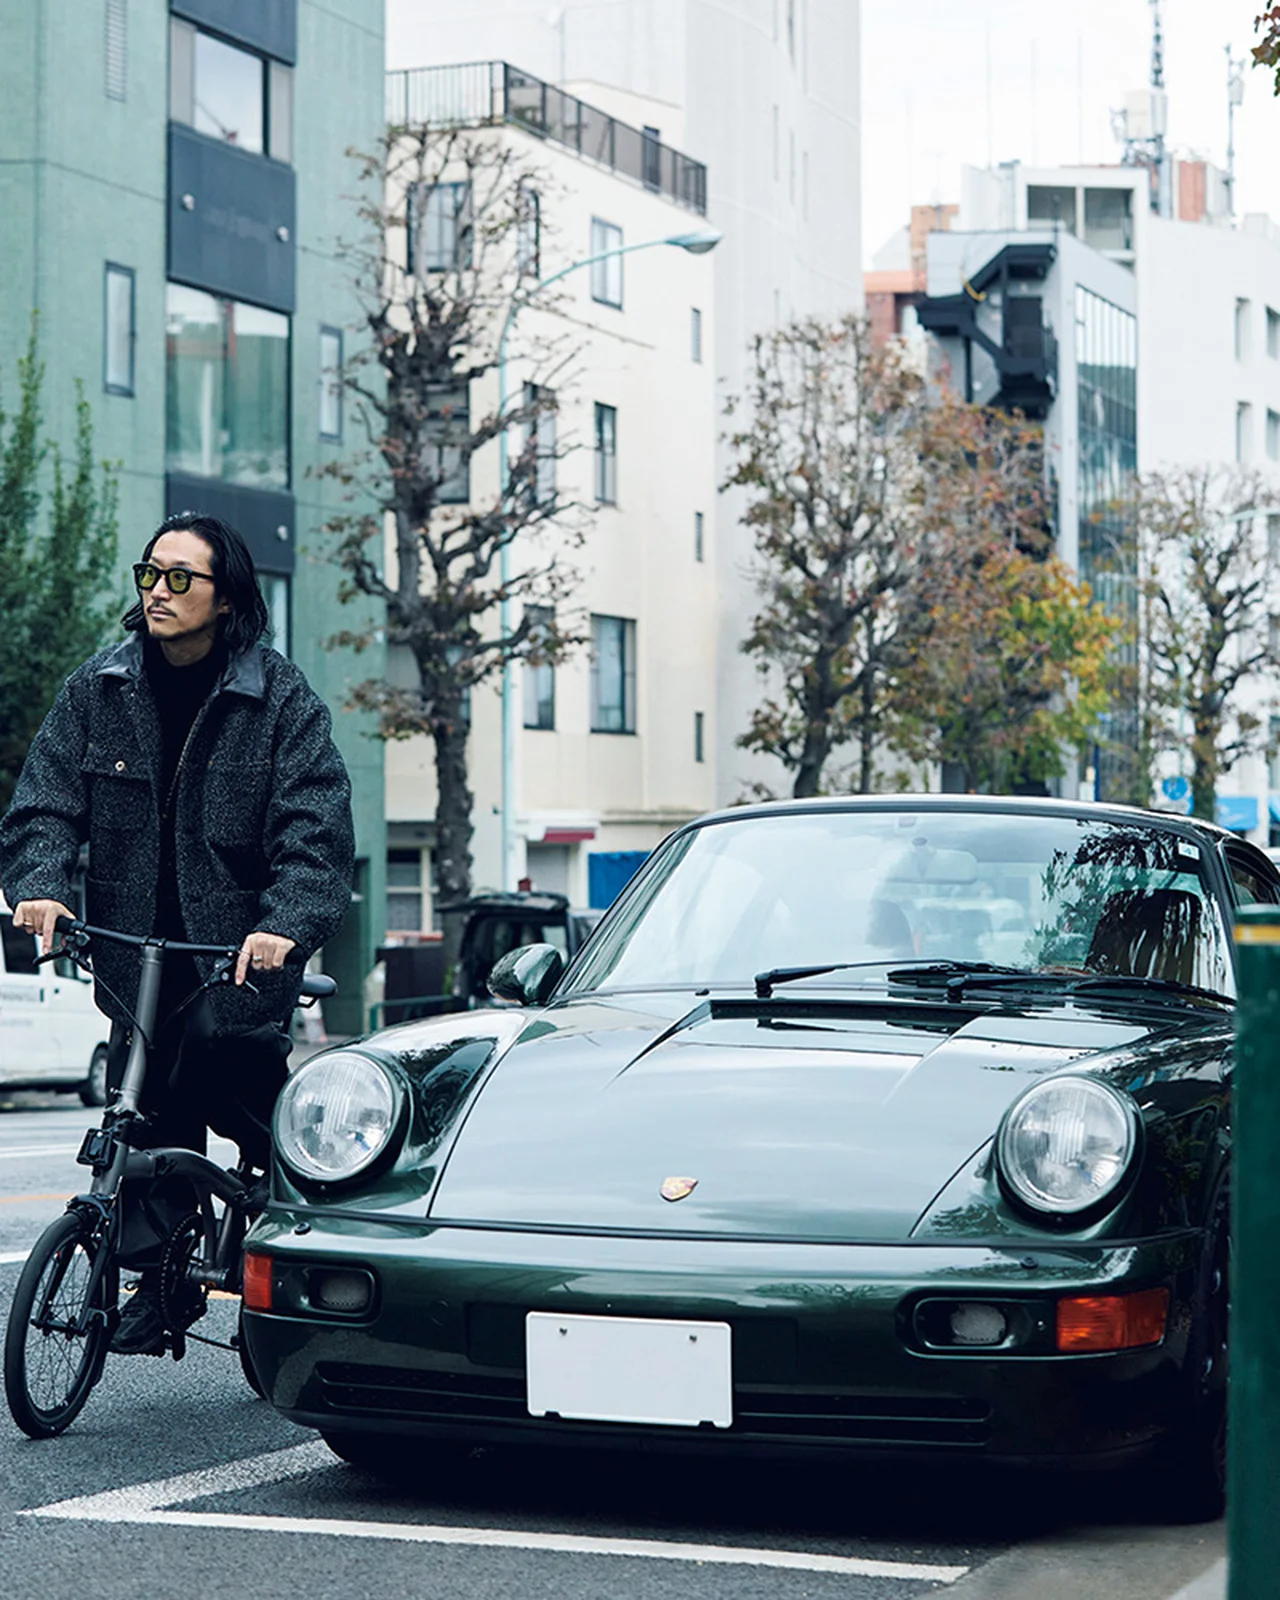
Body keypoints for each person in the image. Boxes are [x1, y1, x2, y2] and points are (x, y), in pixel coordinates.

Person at [0, 512, 354, 1353]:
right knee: (144, 1114)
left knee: (261, 1115)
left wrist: (284, 925)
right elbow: (43, 805)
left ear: (225, 598)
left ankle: (316, 1250)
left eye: (179, 579)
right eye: (149, 575)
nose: (158, 592)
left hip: (233, 966)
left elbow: (317, 837)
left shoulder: (278, 701)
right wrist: (42, 887)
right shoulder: (102, 687)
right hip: (130, 957)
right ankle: (161, 1285)